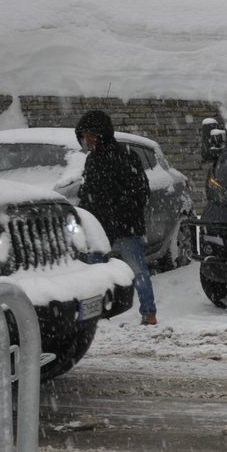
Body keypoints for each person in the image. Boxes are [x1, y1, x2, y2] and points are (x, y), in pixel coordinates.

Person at [75, 109, 155, 325]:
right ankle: (95, 316)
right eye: (83, 136)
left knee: (138, 271)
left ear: (100, 134)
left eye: (89, 135)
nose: (86, 140)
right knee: (95, 274)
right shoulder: (92, 161)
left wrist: (120, 211)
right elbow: (88, 192)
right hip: (100, 228)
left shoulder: (126, 156)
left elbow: (140, 191)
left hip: (126, 225)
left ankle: (149, 313)